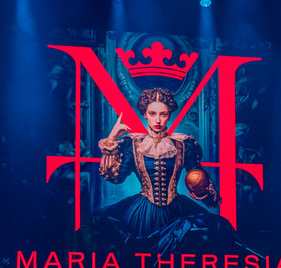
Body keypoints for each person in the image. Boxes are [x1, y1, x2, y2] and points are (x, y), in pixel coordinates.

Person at [96, 87, 230, 256]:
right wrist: (112, 139)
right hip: (142, 212)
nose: (158, 120)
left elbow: (199, 178)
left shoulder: (183, 144)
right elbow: (114, 177)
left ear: (169, 115)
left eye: (163, 114)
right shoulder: (133, 144)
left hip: (176, 209)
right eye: (152, 114)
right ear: (145, 114)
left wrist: (202, 192)